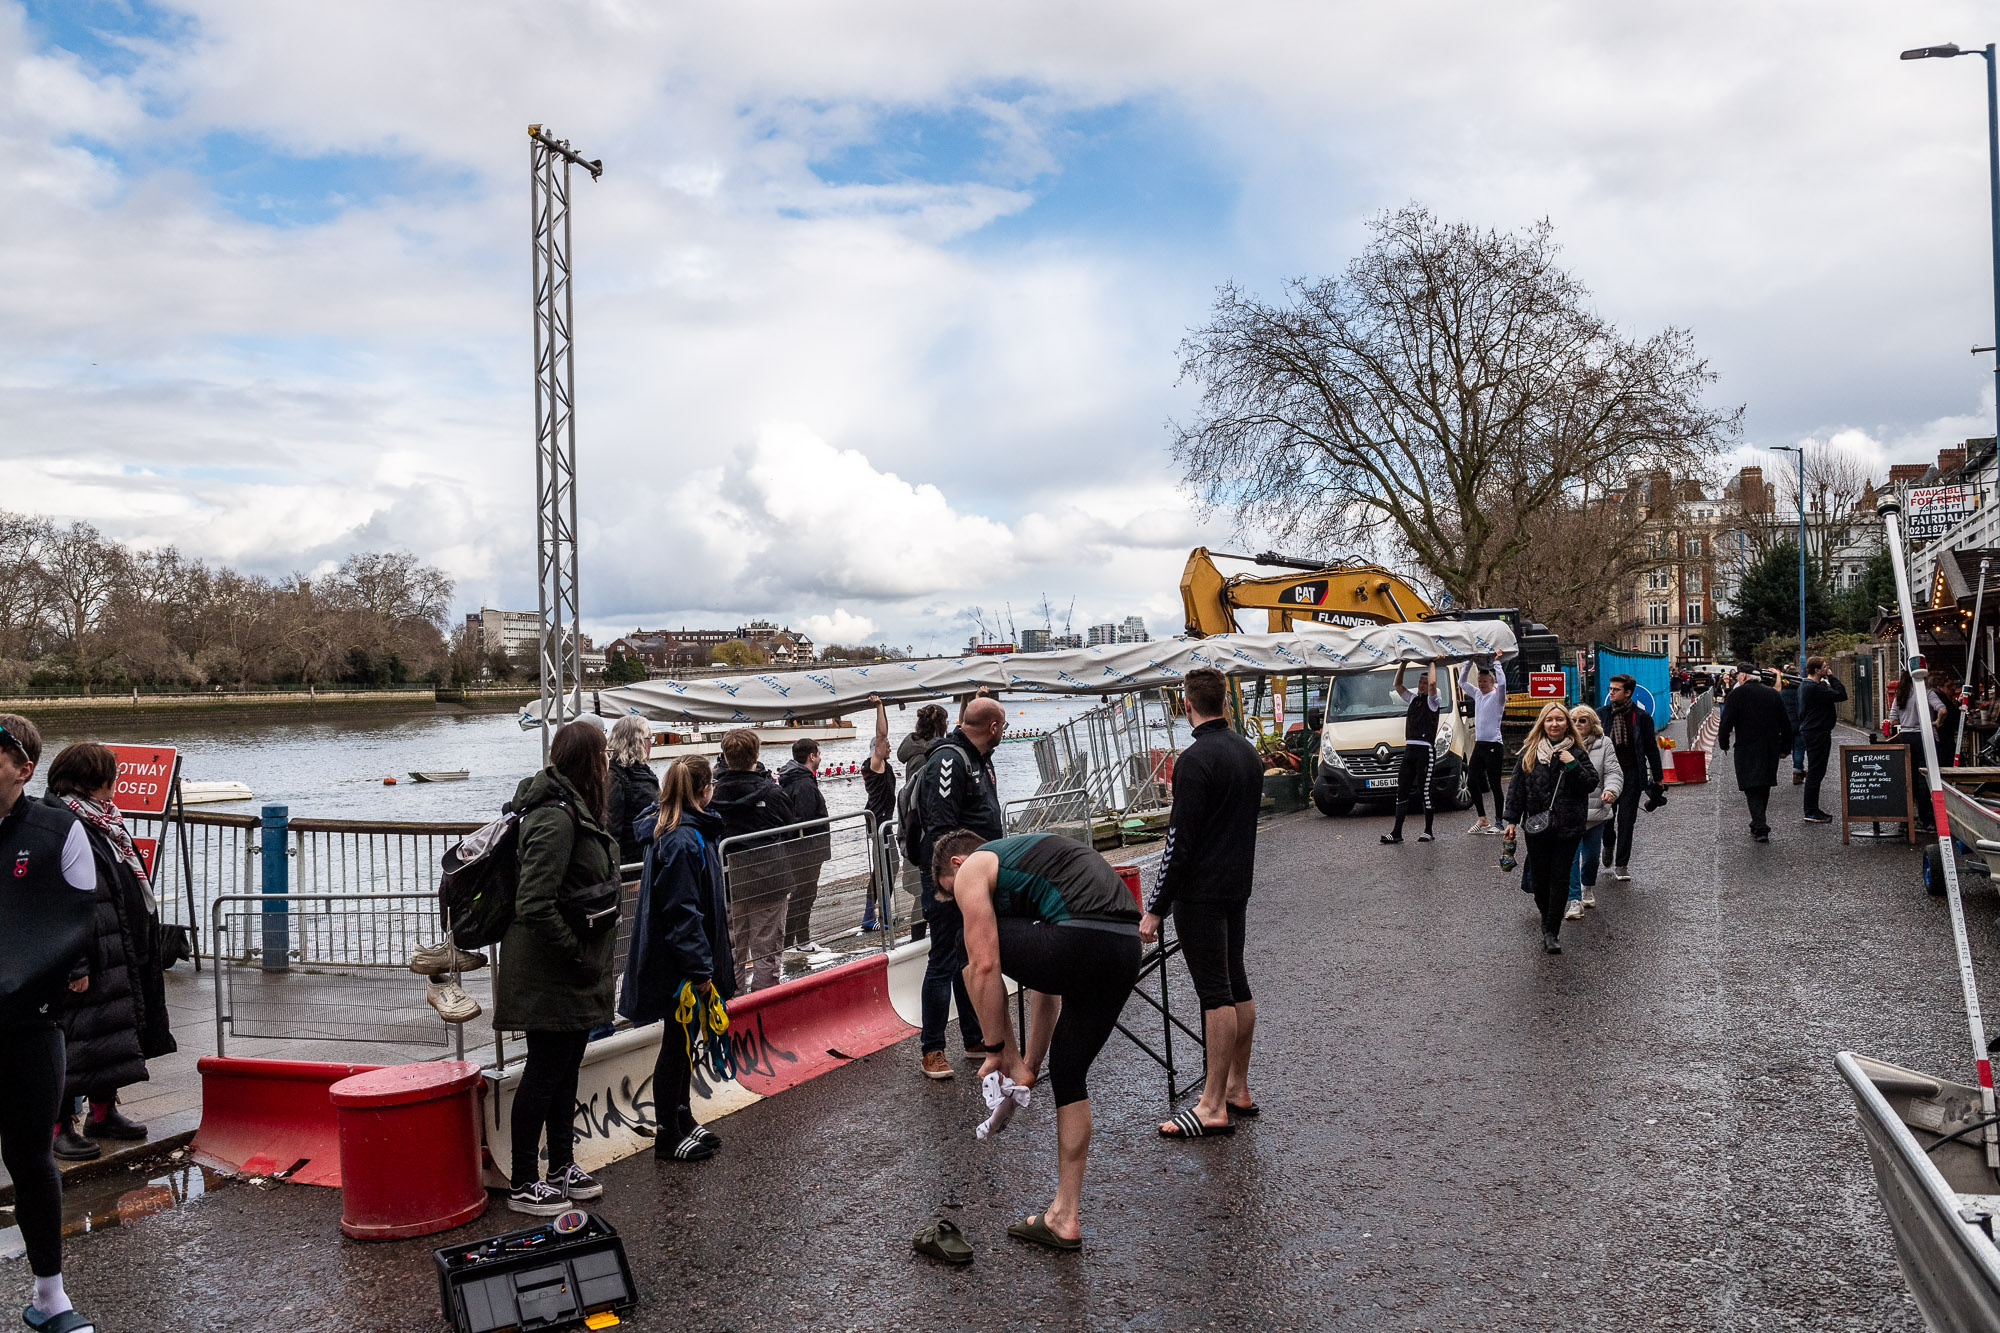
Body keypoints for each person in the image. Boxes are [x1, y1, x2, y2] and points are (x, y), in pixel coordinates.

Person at [931, 829, 1142, 1251]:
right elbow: (1047, 987)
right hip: (1124, 945)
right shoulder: (1032, 868)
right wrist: (1029, 1065)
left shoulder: (976, 865)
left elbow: (986, 965)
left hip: (1080, 937)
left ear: (957, 865)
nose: (959, 903)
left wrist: (995, 1053)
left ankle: (1004, 1056)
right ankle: (1064, 1216)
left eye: (951, 895)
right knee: (1069, 1073)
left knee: (966, 946)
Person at [494, 719, 622, 1216]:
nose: (609, 762)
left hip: (570, 968)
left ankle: (560, 1166)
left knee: (566, 1068)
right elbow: (535, 902)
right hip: (550, 969)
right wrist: (573, 951)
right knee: (544, 1072)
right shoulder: (554, 816)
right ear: (588, 760)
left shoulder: (574, 809)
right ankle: (525, 1181)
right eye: (603, 754)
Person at [0, 716, 99, 1333]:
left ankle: (49, 1298)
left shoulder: (59, 830)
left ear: (23, 768)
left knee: (31, 1158)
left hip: (27, 1027)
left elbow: (77, 924)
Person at [1137, 667, 1265, 1135]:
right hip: (1237, 885)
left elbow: (1179, 843)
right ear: (1225, 704)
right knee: (1236, 984)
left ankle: (1212, 1105)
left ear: (1186, 705)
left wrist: (1154, 907)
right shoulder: (1248, 754)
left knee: (1215, 995)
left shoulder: (1193, 761)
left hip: (1202, 893)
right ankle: (1237, 1087)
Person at [41, 744, 173, 1161]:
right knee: (76, 1039)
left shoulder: (101, 820)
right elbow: (60, 901)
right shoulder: (62, 823)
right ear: (92, 780)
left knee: (109, 1036)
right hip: (88, 954)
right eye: (109, 776)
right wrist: (75, 962)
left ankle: (103, 1112)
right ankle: (60, 1126)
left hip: (118, 947)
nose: (114, 783)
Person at [618, 756, 733, 1164]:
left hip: (680, 959)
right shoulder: (683, 839)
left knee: (684, 1042)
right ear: (705, 790)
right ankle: (667, 1133)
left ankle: (682, 1117)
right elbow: (682, 911)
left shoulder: (674, 829)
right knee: (676, 1045)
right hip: (679, 967)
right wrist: (701, 970)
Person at [912, 696, 1007, 1079]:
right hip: (950, 874)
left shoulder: (979, 759)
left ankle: (973, 1036)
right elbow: (940, 826)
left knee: (968, 957)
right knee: (943, 960)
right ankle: (932, 1048)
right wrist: (952, 881)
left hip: (975, 872)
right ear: (994, 727)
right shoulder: (949, 760)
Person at [1503, 702, 1599, 954]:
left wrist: (1571, 764)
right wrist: (1511, 821)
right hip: (1537, 826)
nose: (1554, 724)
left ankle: (1551, 931)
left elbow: (1589, 783)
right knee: (1540, 880)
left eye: (1559, 719)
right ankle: (1547, 919)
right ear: (1542, 724)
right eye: (1549, 720)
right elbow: (1516, 789)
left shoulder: (1577, 753)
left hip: (1568, 826)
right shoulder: (1530, 752)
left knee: (1560, 878)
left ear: (1567, 724)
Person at [709, 730, 795, 992]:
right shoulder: (772, 792)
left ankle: (732, 1001)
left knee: (732, 947)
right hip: (769, 879)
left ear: (724, 757)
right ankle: (764, 1002)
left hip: (728, 880)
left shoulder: (711, 794)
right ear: (756, 757)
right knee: (767, 948)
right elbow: (791, 828)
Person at [1717, 664, 1794, 843]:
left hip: (1746, 747)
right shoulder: (1772, 694)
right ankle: (1757, 821)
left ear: (1744, 676)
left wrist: (1724, 743)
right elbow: (1786, 723)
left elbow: (1726, 722)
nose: (1736, 679)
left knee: (1751, 786)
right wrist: (1785, 748)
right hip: (1770, 747)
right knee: (1763, 784)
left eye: (1737, 676)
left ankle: (1760, 827)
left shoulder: (1736, 695)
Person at [1562, 705, 1623, 920]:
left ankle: (1587, 887)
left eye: (1583, 721)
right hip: (1570, 814)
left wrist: (1611, 790)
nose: (1578, 724)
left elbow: (1614, 772)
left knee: (1590, 858)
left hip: (1596, 813)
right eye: (1574, 720)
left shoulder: (1604, 744)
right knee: (1570, 858)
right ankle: (1574, 899)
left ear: (1592, 723)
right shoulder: (1563, 745)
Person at [895, 704, 950, 942]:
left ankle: (921, 935)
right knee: (923, 889)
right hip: (921, 831)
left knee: (924, 888)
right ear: (940, 726)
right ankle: (918, 937)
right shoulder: (922, 757)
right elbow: (918, 795)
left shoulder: (920, 752)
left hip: (917, 829)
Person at [1600, 674, 1662, 882]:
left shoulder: (1641, 717)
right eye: (1610, 689)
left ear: (1628, 692)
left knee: (1627, 820)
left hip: (1631, 775)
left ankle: (1621, 864)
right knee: (1606, 819)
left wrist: (1658, 778)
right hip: (1606, 776)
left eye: (1615, 690)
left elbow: (1651, 749)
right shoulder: (1602, 715)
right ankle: (1608, 843)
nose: (1611, 692)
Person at [776, 738, 831, 956]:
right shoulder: (804, 783)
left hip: (798, 848)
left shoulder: (793, 779)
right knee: (805, 894)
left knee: (802, 894)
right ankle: (797, 941)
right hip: (806, 850)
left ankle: (796, 940)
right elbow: (804, 818)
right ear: (812, 756)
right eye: (819, 753)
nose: (820, 757)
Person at [1383, 656, 1447, 845]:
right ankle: (1396, 832)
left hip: (1425, 751)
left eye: (1424, 682)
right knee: (1401, 789)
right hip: (1409, 750)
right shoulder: (1413, 699)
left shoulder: (1433, 701)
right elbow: (1397, 684)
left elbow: (1434, 683)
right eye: (1420, 681)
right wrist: (1403, 662)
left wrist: (1432, 662)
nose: (1422, 685)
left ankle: (1428, 830)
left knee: (1424, 790)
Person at [1889, 670, 1947, 833]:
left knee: (1909, 777)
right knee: (1925, 778)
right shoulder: (1927, 693)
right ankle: (1926, 819)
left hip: (1906, 737)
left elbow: (1893, 720)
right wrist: (1937, 722)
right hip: (1924, 735)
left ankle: (1905, 819)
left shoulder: (1900, 694)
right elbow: (1942, 710)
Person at [1460, 656, 1507, 835]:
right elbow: (1462, 681)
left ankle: (1499, 821)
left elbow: (1502, 684)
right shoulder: (1478, 694)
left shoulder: (1497, 696)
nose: (1481, 684)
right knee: (1472, 780)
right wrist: (1468, 661)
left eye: (1485, 681)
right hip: (1480, 745)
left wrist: (1497, 663)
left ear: (1491, 681)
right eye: (1479, 681)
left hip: (1494, 745)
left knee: (1495, 784)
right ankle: (1482, 818)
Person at [859, 696, 895, 932]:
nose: (890, 747)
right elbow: (881, 735)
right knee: (883, 869)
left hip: (886, 824)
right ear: (877, 750)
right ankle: (869, 916)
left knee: (891, 867)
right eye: (887, 745)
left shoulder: (887, 766)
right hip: (878, 824)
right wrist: (880, 707)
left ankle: (883, 912)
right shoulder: (874, 766)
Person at [1799, 657, 1849, 823]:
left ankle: (1812, 809)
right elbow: (1842, 694)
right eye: (1825, 667)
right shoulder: (1816, 688)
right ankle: (1811, 811)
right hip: (1817, 732)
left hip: (1812, 730)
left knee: (1816, 771)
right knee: (1816, 772)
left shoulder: (1805, 686)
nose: (1827, 669)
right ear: (1816, 670)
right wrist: (1832, 678)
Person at [605, 716, 658, 870]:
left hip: (646, 859)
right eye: (649, 738)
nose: (651, 743)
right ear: (637, 741)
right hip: (632, 865)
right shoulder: (614, 778)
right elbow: (611, 832)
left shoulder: (643, 770)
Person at [1780, 672, 1804, 786]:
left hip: (1786, 724)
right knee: (1798, 749)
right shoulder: (1800, 692)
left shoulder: (1783, 692)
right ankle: (1797, 772)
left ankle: (1799, 768)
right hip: (1799, 724)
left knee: (1789, 746)